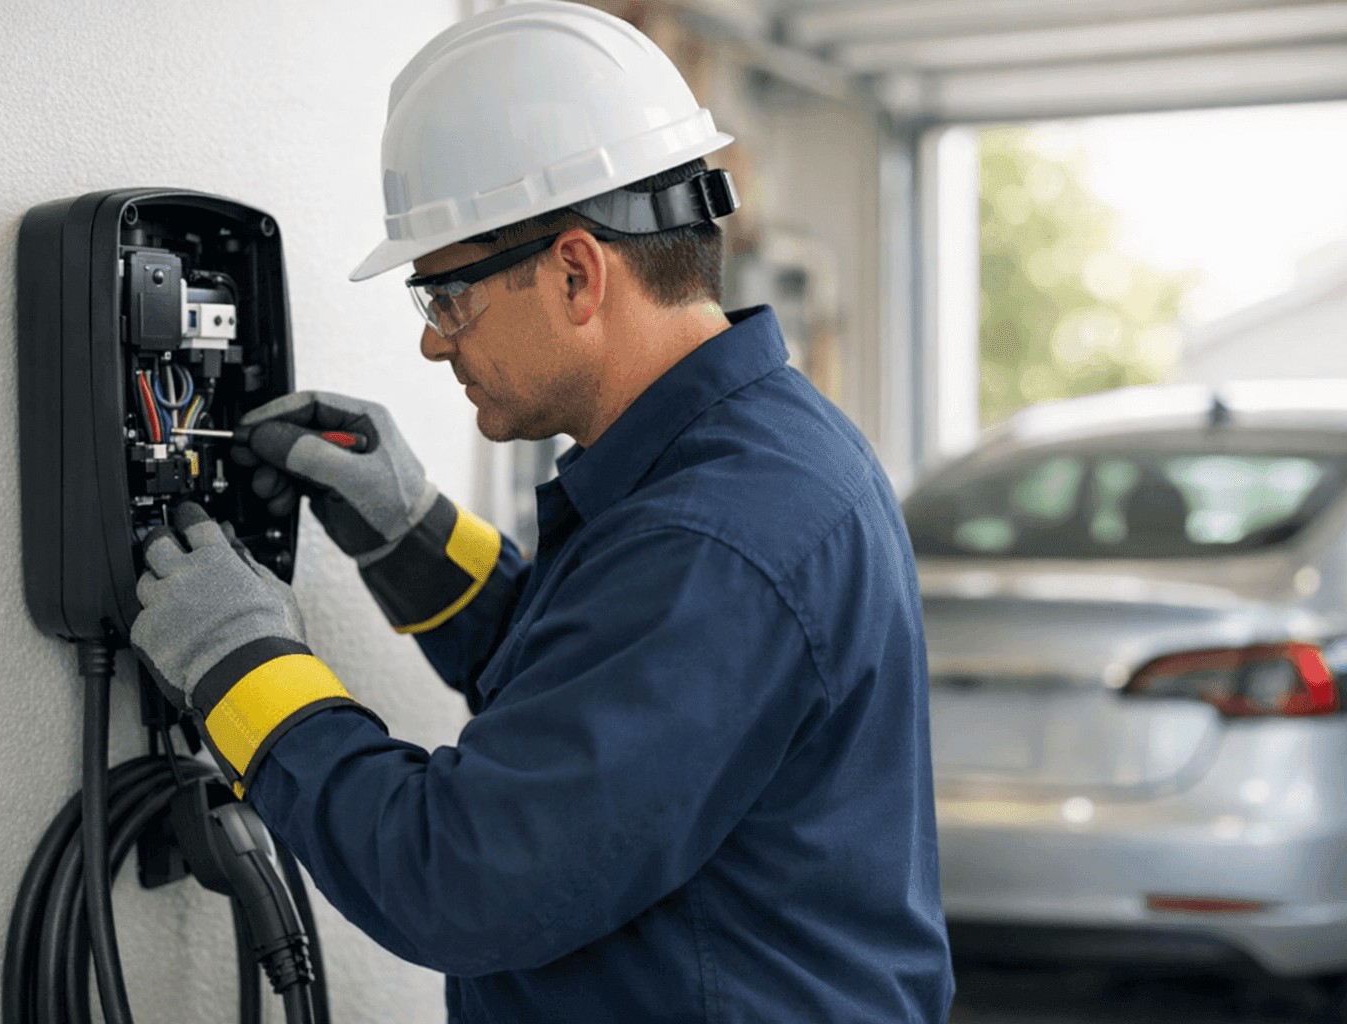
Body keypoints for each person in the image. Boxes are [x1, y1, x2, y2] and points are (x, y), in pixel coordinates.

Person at [130, 3, 954, 1021]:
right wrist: (413, 533)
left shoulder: (714, 538)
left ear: (576, 272)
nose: (436, 343)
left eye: (447, 297)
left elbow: (461, 878)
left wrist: (238, 662)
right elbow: (593, 680)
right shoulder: (736, 459)